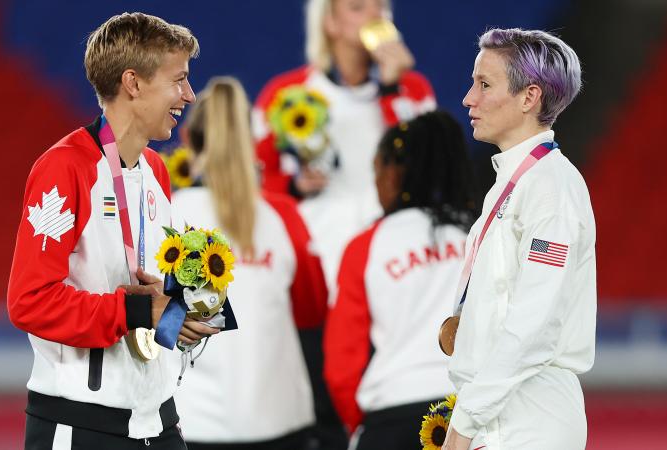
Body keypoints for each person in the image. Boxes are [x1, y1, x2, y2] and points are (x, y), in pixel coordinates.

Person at [7, 13, 217, 449]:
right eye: (178, 80)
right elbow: (30, 301)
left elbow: (140, 287)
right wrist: (140, 313)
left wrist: (180, 309)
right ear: (133, 83)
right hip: (82, 424)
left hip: (158, 419)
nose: (189, 95)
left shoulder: (156, 170)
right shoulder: (64, 169)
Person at [442, 28, 596, 450]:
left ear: (529, 98)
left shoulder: (551, 187)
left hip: (528, 419)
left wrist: (465, 422)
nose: (468, 99)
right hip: (498, 414)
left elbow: (534, 323)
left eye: (484, 85)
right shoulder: (515, 182)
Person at [170, 77, 329, 450]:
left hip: (193, 423)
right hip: (280, 421)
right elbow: (312, 312)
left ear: (189, 140)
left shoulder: (170, 214)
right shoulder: (282, 215)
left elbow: (153, 321)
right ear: (250, 143)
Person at [253, 0, 437, 294]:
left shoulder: (413, 90)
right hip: (315, 262)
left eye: (382, 7)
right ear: (330, 23)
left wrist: (391, 90)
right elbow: (255, 186)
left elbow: (428, 170)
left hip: (394, 258)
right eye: (357, 7)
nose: (375, 15)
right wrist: (295, 187)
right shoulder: (284, 94)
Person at [324, 110, 479, 449]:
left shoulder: (366, 245)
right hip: (472, 415)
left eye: (376, 170)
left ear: (395, 173)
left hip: (391, 418)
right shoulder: (477, 235)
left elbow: (341, 363)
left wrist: (361, 427)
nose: (376, 183)